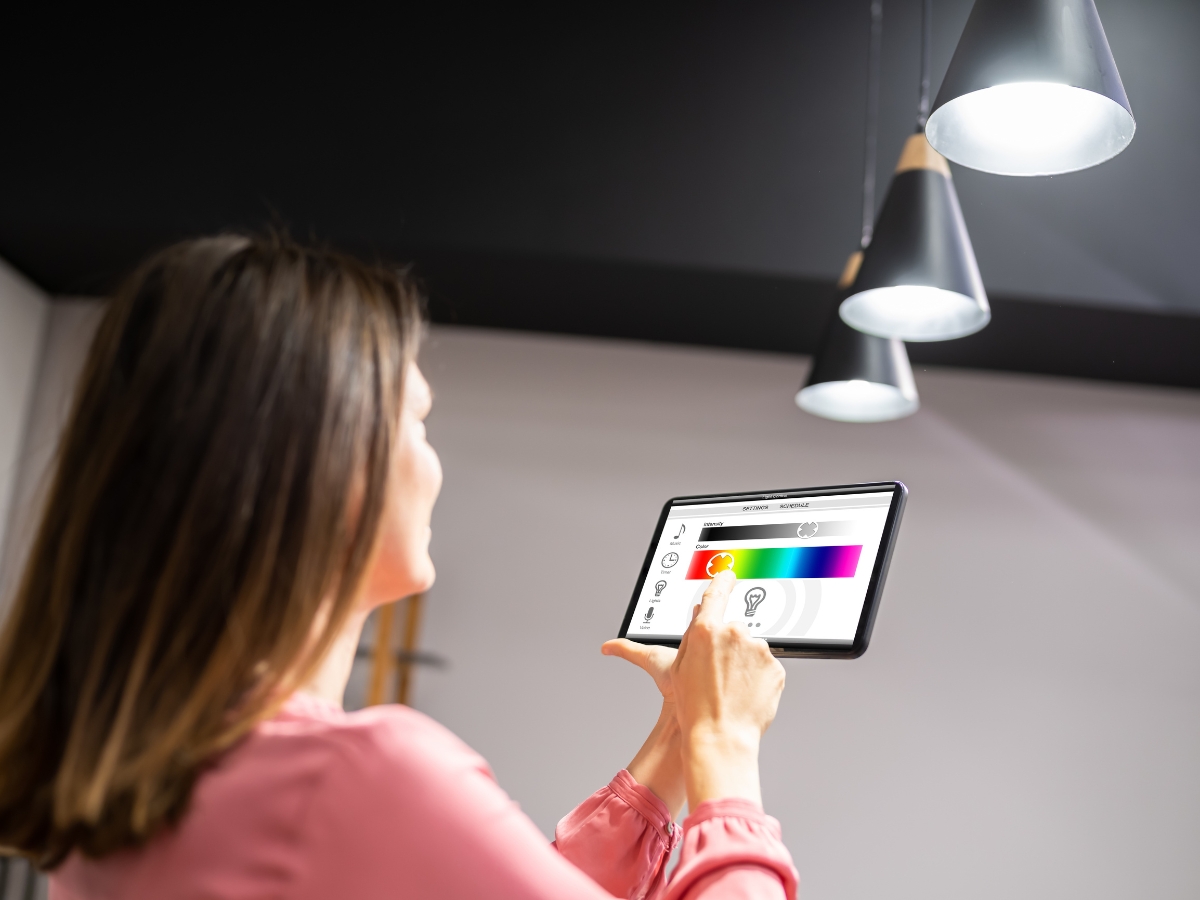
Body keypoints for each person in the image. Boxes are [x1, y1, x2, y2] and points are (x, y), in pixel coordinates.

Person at [0, 235, 798, 899]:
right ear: (325, 463)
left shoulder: (147, 780)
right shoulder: (353, 775)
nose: (432, 463)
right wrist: (724, 745)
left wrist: (677, 737)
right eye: (417, 421)